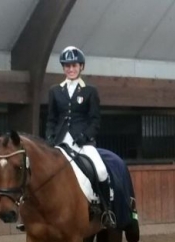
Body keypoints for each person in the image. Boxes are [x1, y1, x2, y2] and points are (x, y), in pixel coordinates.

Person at [17, 46, 115, 231]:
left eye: (74, 65)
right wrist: (50, 138)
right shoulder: (55, 91)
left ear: (81, 67)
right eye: (67, 66)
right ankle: (26, 215)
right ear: (63, 68)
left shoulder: (90, 91)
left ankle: (105, 210)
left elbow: (95, 119)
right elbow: (51, 119)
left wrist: (85, 136)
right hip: (60, 142)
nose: (71, 69)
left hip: (83, 143)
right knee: (34, 171)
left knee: (101, 170)